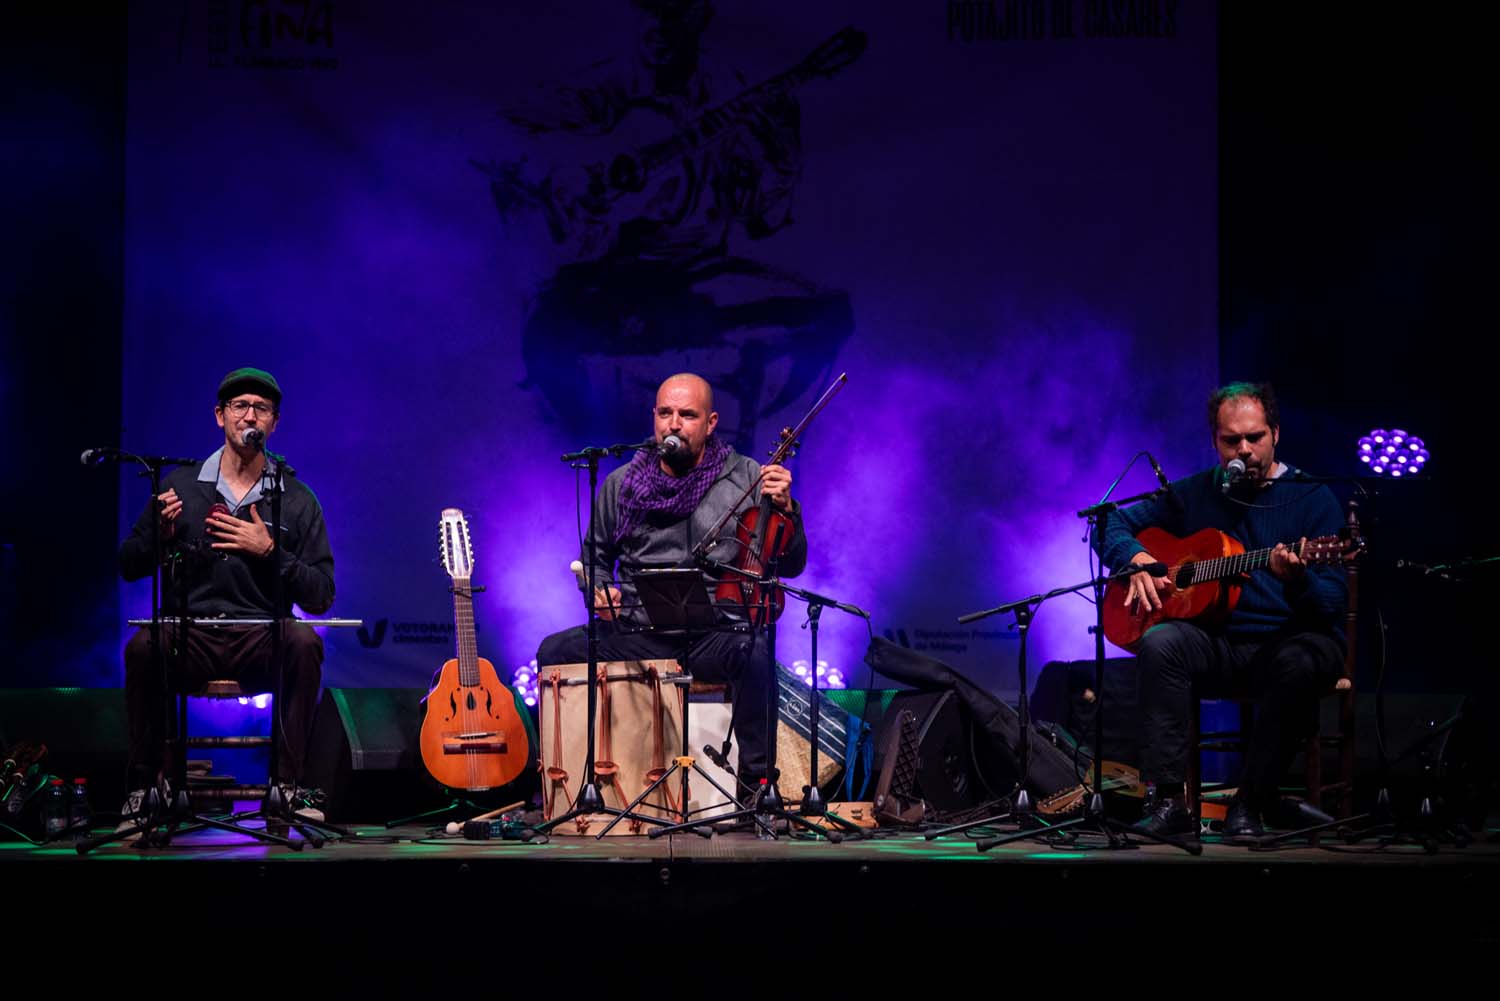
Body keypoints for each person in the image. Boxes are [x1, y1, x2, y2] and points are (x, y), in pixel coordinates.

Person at [1098, 382, 1347, 841]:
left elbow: (1333, 603)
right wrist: (1134, 560)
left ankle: (1251, 802)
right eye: (1232, 440)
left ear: (1275, 433)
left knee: (1300, 661)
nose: (1245, 450)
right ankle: (1171, 802)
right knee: (1161, 643)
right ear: (1215, 442)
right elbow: (1109, 519)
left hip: (1289, 642)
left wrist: (1298, 579)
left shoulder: (1314, 499)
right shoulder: (1197, 493)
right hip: (1220, 642)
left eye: (1255, 438)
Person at [536, 372, 806, 792]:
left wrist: (788, 509)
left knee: (755, 650)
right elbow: (594, 559)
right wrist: (598, 590)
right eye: (665, 413)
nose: (674, 424)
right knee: (555, 651)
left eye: (687, 415)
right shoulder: (620, 484)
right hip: (638, 630)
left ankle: (758, 791)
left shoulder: (746, 477)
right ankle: (561, 784)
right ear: (654, 417)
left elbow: (790, 565)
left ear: (711, 423)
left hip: (713, 633)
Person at [117, 367, 335, 828]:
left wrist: (270, 551)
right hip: (191, 636)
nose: (249, 415)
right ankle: (144, 788)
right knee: (142, 648)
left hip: (260, 639)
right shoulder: (180, 486)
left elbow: (321, 596)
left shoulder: (294, 498)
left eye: (261, 408)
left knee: (305, 642)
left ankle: (288, 787)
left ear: (274, 423)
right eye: (240, 406)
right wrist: (158, 536)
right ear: (220, 416)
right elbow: (129, 564)